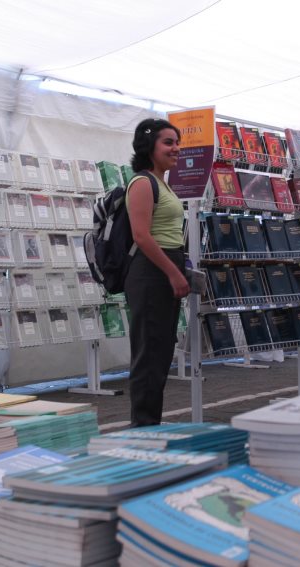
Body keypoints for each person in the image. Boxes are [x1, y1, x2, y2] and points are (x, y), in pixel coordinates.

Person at [125, 118, 189, 426]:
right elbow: (142, 236)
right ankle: (142, 430)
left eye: (177, 143)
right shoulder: (142, 183)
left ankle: (150, 427)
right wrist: (173, 273)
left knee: (160, 354)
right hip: (151, 273)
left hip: (163, 269)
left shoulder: (163, 183)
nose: (176, 149)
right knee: (149, 357)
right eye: (168, 142)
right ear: (149, 146)